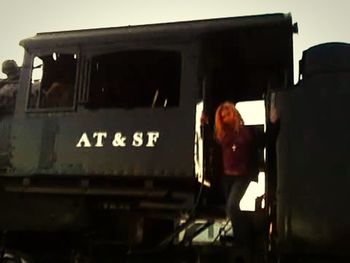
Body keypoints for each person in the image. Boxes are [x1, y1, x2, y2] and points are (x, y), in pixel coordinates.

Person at [214, 101, 259, 248]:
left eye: (227, 114)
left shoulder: (245, 132)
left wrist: (274, 123)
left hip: (242, 175)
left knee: (233, 206)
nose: (225, 118)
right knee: (231, 208)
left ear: (233, 114)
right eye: (223, 116)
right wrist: (203, 124)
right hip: (227, 177)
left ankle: (245, 240)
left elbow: (263, 141)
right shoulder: (222, 134)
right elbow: (210, 141)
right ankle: (244, 237)